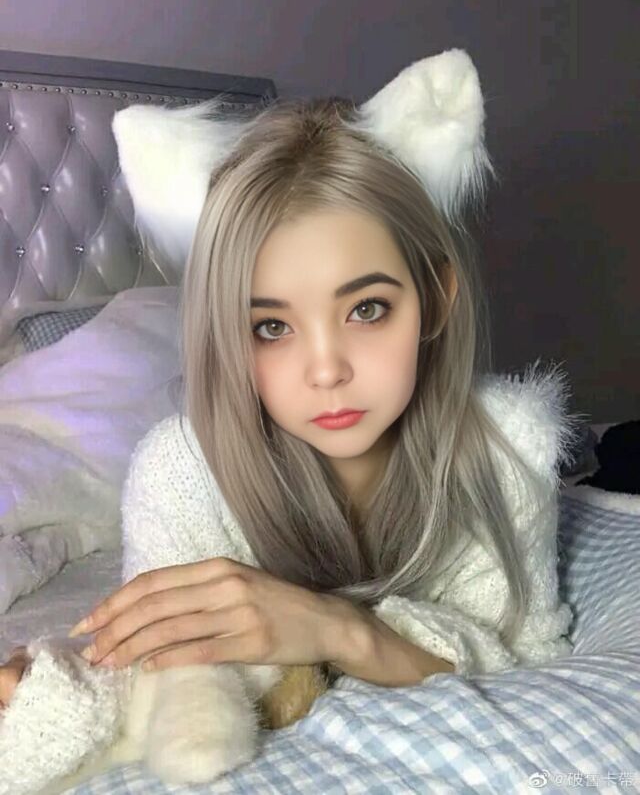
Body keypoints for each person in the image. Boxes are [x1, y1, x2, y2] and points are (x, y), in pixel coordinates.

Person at [0, 49, 581, 794]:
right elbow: (164, 673)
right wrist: (52, 688)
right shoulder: (183, 470)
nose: (325, 369)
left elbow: (526, 662)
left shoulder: (509, 445)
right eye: (271, 327)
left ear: (435, 301)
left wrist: (335, 627)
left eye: (367, 309)